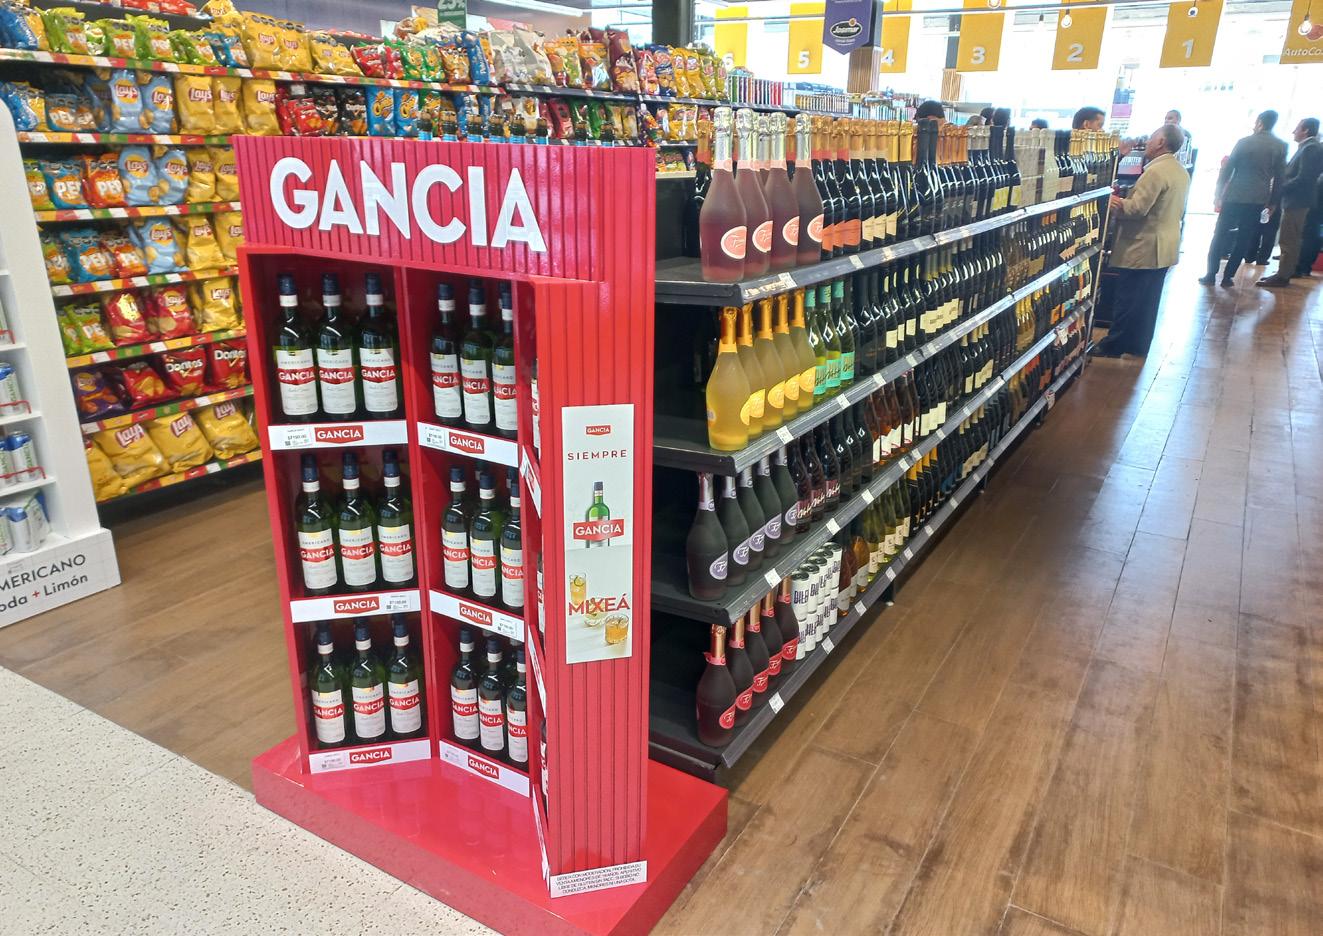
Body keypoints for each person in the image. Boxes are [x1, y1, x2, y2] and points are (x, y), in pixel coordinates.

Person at [1093, 124, 1191, 358]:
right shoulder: (1179, 170)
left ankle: (1113, 345)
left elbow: (1137, 209)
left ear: (1161, 143)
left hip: (1143, 245)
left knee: (1128, 299)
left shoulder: (1155, 172)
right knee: (1148, 302)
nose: (1147, 142)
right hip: (1164, 245)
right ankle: (1138, 345)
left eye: (1152, 138)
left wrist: (1115, 202)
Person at [1199, 110, 1286, 287]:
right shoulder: (1280, 146)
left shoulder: (1244, 142)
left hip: (1234, 194)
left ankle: (1210, 273)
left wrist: (1218, 193)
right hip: (1257, 198)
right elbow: (1279, 178)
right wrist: (1273, 202)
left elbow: (1228, 169)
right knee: (1244, 238)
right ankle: (1228, 277)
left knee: (1220, 234)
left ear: (1259, 122)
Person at [1259, 117, 1323, 287]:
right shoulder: (1309, 147)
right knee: (1290, 238)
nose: (1293, 131)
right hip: (1297, 200)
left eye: (1297, 128)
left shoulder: (1311, 148)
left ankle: (1283, 275)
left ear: (1306, 130)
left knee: (1289, 239)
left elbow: (1304, 178)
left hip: (1298, 200)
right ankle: (1284, 271)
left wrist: (1280, 188)